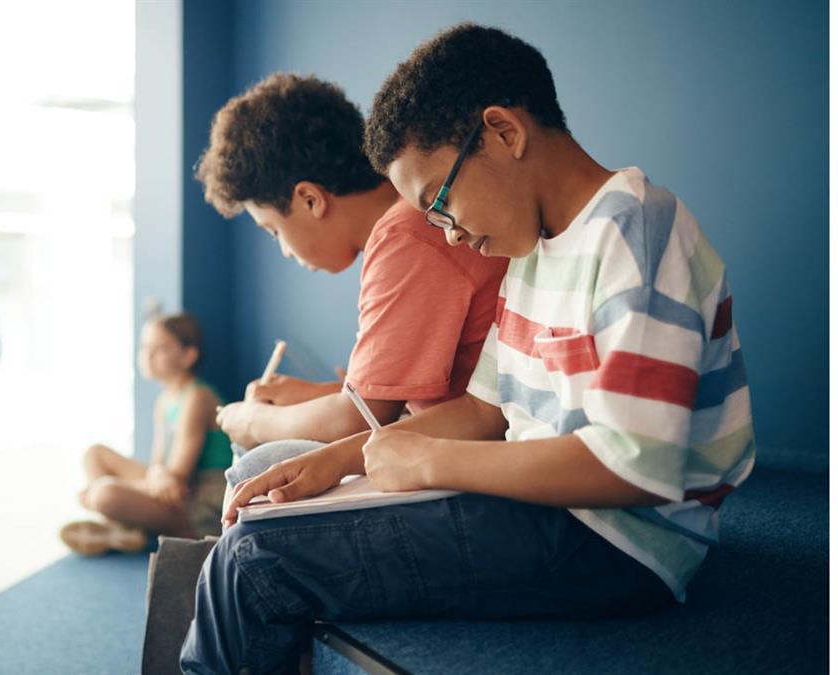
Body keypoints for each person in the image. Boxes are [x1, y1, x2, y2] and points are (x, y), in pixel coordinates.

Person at [182, 24, 755, 674]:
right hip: (550, 510)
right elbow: (486, 407)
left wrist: (430, 462)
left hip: (620, 542)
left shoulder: (638, 231)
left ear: (504, 132)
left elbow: (633, 467)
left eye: (439, 201)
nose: (449, 235)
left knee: (254, 561)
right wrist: (342, 460)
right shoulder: (534, 252)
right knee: (269, 504)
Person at [196, 73, 505, 491]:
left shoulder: (406, 237)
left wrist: (255, 420)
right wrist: (317, 395)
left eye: (273, 231)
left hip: (473, 456)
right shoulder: (404, 226)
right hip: (448, 433)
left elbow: (359, 417)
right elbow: (384, 400)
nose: (284, 251)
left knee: (262, 459)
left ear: (310, 199)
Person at [60, 313, 232, 555]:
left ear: (188, 355)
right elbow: (159, 466)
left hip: (200, 497)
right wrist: (156, 475)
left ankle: (132, 524)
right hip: (172, 485)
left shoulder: (197, 397)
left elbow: (177, 477)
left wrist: (121, 484)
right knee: (95, 454)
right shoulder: (164, 400)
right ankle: (121, 528)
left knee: (104, 493)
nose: (147, 355)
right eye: (144, 347)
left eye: (159, 348)